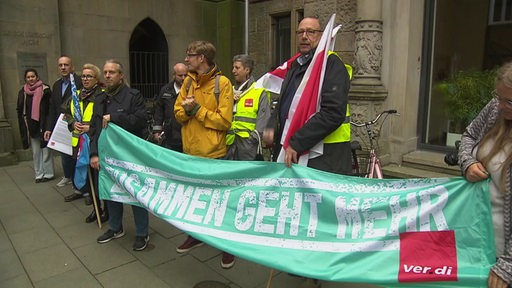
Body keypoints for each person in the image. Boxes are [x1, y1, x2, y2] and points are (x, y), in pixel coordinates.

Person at [262, 16, 352, 288]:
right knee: (299, 210)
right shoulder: (295, 66)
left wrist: (297, 142)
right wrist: (273, 131)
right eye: (299, 31)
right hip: (297, 152)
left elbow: (333, 112)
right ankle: (303, 261)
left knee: (321, 215)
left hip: (324, 156)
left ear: (320, 35)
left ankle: (321, 271)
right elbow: (285, 107)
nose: (303, 36)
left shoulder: (331, 64)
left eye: (310, 32)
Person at [173, 40, 235, 268]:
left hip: (213, 155)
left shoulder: (223, 83)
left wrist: (196, 110)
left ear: (202, 58)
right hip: (190, 154)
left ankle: (227, 246)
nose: (186, 59)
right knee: (194, 200)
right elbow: (178, 113)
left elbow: (225, 121)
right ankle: (197, 236)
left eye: (190, 55)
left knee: (219, 202)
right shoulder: (188, 81)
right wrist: (188, 111)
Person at [458, 61, 512, 288]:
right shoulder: (494, 108)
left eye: (508, 101)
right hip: (475, 239)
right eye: (498, 96)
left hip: (502, 255)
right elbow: (469, 136)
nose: (499, 105)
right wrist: (467, 162)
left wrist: (508, 265)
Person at [90, 59, 149, 251]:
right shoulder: (99, 98)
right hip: (107, 156)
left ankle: (142, 232)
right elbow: (94, 128)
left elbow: (140, 120)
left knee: (135, 193)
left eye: (112, 72)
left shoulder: (133, 96)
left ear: (121, 76)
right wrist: (94, 154)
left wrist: (115, 117)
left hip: (130, 156)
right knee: (111, 192)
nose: (107, 76)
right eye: (105, 72)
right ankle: (115, 228)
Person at [63, 63, 108, 223]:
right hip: (80, 143)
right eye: (83, 76)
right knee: (88, 179)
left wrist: (91, 127)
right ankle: (96, 209)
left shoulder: (102, 95)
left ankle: (107, 210)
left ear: (96, 79)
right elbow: (66, 113)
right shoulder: (76, 95)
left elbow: (105, 117)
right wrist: (72, 122)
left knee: (100, 178)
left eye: (89, 76)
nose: (85, 79)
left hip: (96, 141)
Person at [44, 56, 84, 192]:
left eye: (66, 65)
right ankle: (68, 176)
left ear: (72, 67)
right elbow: (52, 108)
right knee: (64, 154)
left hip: (75, 124)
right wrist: (49, 128)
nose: (63, 67)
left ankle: (79, 183)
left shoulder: (79, 82)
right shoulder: (56, 85)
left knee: (76, 154)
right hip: (60, 125)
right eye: (60, 65)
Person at [226, 54, 271, 160]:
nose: (233, 71)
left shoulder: (259, 91)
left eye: (237, 68)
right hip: (228, 145)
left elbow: (263, 121)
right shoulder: (229, 90)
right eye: (233, 67)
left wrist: (253, 139)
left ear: (247, 70)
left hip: (248, 147)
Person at [17, 68, 54, 182]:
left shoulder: (45, 90)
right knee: (36, 152)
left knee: (46, 150)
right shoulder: (22, 92)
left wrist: (48, 125)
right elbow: (20, 109)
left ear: (37, 77)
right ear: (25, 79)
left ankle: (48, 173)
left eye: (32, 76)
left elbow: (50, 108)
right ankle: (39, 174)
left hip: (43, 124)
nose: (31, 79)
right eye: (28, 77)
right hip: (31, 126)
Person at [152, 63, 188, 151]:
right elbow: (159, 111)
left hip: (187, 134)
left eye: (185, 75)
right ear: (174, 75)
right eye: (180, 75)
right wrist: (157, 130)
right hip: (170, 135)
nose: (183, 78)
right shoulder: (166, 90)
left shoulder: (192, 89)